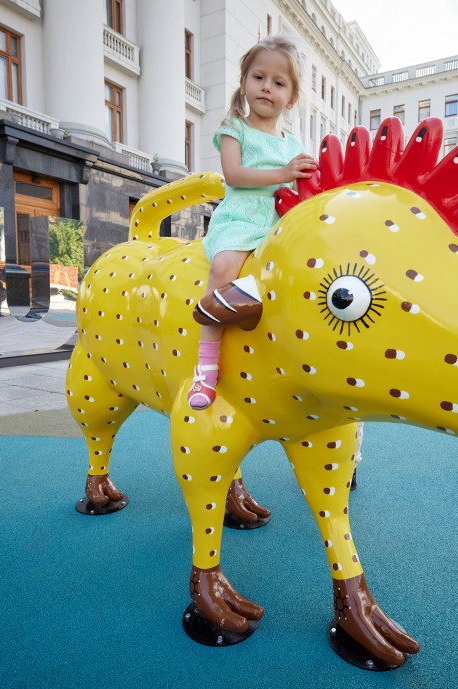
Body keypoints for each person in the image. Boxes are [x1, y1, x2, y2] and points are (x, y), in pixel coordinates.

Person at [187, 35, 317, 410]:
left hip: (278, 224)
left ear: (291, 97)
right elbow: (234, 174)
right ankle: (205, 366)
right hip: (241, 217)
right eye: (259, 77)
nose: (266, 87)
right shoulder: (235, 128)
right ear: (244, 82)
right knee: (223, 267)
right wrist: (283, 174)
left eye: (278, 82)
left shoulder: (293, 146)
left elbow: (302, 188)